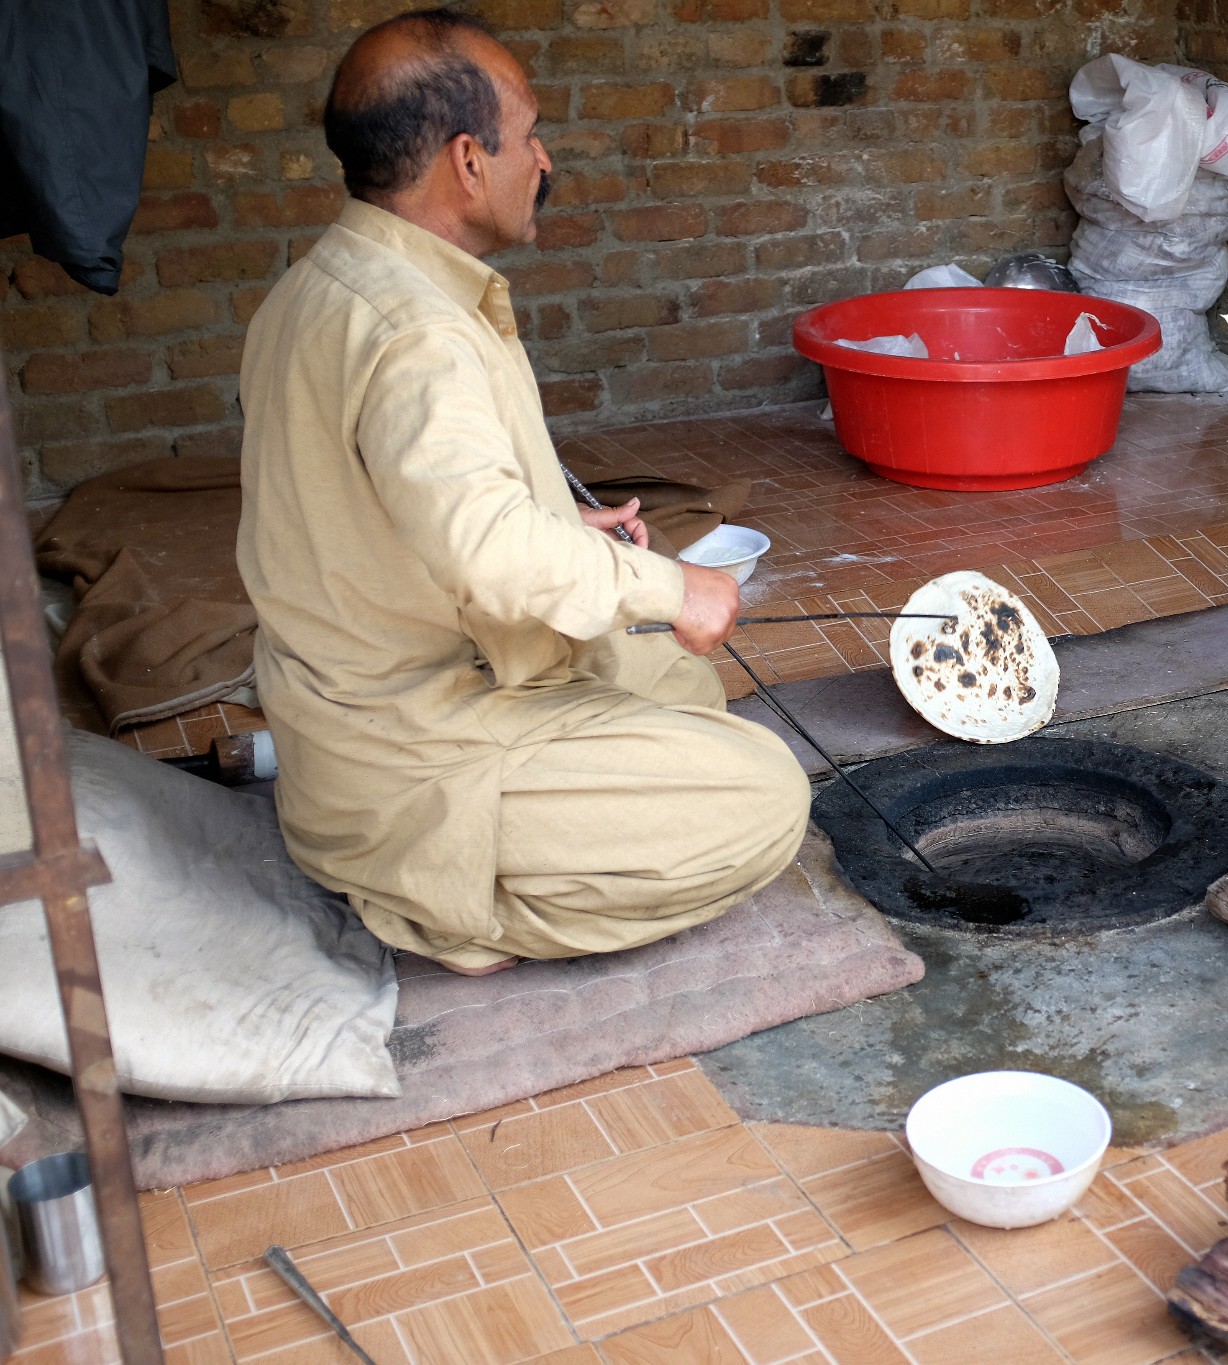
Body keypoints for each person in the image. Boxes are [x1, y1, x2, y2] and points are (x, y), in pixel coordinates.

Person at [236, 7, 809, 974]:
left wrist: (560, 518)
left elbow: (393, 505)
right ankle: (437, 900)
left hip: (359, 707)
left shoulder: (325, 282)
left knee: (679, 684)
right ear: (468, 162)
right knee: (765, 796)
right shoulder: (417, 334)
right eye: (530, 134)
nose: (541, 159)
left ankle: (473, 835)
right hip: (414, 744)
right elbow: (488, 547)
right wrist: (677, 588)